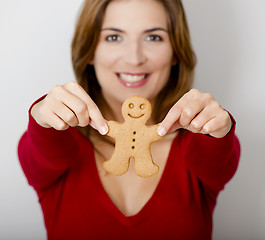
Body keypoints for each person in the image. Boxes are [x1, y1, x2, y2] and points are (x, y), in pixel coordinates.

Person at [18, 0, 240, 239]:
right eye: (114, 37)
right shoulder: (58, 147)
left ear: (176, 52)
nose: (134, 58)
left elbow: (219, 157)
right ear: (90, 51)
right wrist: (41, 115)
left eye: (153, 37)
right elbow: (42, 147)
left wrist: (218, 128)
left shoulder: (199, 148)